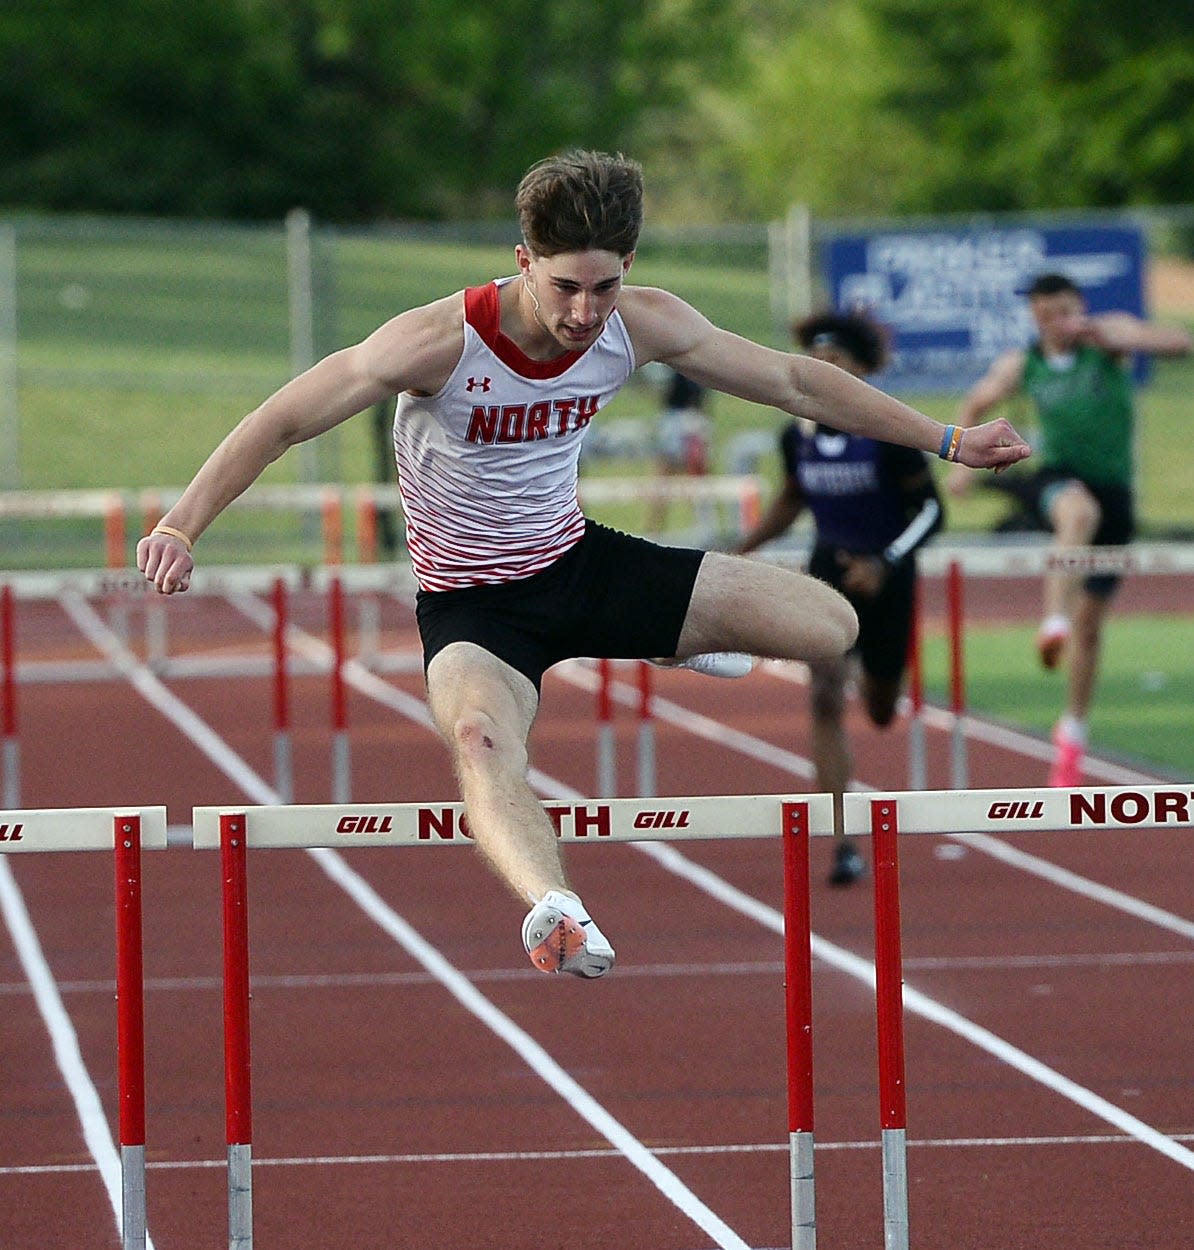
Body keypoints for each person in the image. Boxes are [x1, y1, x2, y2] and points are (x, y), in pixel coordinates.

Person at [138, 150, 1029, 978]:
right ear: (521, 259)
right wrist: (183, 524)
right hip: (476, 611)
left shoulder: (640, 326)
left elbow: (797, 383)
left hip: (580, 566)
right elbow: (285, 419)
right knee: (483, 742)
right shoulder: (437, 341)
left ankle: (662, 639)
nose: (582, 314)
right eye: (565, 287)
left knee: (833, 626)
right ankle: (554, 909)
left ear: (629, 268)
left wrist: (948, 438)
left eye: (605, 287)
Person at [950, 272, 1191, 786]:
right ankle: (1051, 619)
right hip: (1059, 478)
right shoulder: (1024, 363)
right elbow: (975, 403)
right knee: (1077, 514)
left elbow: (1178, 343)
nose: (1054, 325)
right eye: (1043, 317)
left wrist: (1117, 337)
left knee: (1091, 626)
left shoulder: (1108, 339)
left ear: (1077, 307)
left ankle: (1072, 734)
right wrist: (957, 466)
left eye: (1061, 313)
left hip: (1115, 491)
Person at [736, 310, 943, 885]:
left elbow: (932, 511)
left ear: (858, 373)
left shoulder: (888, 433)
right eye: (816, 363)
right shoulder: (795, 434)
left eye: (836, 365)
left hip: (887, 573)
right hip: (827, 571)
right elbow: (792, 501)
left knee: (879, 709)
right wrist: (737, 551)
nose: (823, 373)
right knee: (825, 695)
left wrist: (886, 563)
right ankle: (841, 835)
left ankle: (874, 680)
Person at [647, 368, 712, 534]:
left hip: (691, 415)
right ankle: (655, 528)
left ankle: (703, 523)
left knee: (697, 472)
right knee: (666, 473)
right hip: (676, 416)